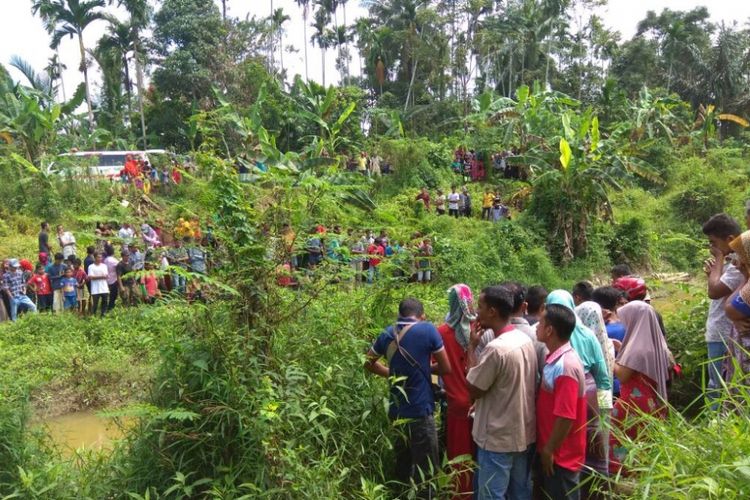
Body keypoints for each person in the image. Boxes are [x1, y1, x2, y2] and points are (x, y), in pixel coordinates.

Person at [364, 298, 451, 498]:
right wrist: (424, 371)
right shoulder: (428, 330)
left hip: (396, 411)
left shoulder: (388, 332)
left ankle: (400, 494)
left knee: (403, 463)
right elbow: (446, 368)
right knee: (427, 470)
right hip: (421, 411)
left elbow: (368, 363)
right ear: (422, 315)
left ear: (399, 314)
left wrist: (391, 373)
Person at [466, 286, 538, 500]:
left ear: (492, 311)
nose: (477, 312)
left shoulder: (496, 349)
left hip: (497, 436)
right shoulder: (525, 340)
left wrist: (471, 347)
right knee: (520, 492)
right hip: (522, 433)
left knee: (491, 494)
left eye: (480, 307)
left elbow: (474, 389)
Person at [545, 290, 611, 489]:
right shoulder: (588, 335)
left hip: (557, 399)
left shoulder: (547, 336)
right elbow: (603, 376)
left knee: (561, 451)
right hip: (589, 400)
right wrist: (606, 415)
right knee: (589, 449)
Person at [609, 301, 671, 475]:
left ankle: (625, 478)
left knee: (621, 441)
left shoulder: (637, 349)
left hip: (633, 403)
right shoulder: (657, 345)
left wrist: (609, 357)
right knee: (644, 443)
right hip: (651, 401)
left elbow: (622, 375)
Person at [535, 304, 587, 500]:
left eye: (540, 323)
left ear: (550, 330)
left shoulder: (565, 366)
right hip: (555, 452)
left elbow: (566, 415)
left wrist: (549, 450)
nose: (537, 327)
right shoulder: (557, 360)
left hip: (561, 456)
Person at [436, 285, 478, 499]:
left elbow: (433, 365)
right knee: (478, 451)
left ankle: (461, 494)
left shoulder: (443, 332)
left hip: (455, 402)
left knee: (458, 453)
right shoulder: (477, 328)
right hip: (478, 401)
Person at [701, 214, 743, 408]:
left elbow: (714, 291)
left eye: (714, 243)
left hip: (724, 334)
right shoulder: (732, 262)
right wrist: (714, 272)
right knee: (717, 383)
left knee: (718, 385)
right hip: (720, 333)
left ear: (729, 239)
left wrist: (718, 260)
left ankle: (717, 428)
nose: (712, 248)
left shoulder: (738, 263)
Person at [575, 300, 616, 482]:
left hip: (587, 401)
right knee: (602, 438)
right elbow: (606, 379)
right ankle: (601, 478)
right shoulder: (607, 342)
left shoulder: (579, 341)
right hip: (605, 396)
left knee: (585, 441)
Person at [592, 286, 627, 397]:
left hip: (606, 385)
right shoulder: (627, 324)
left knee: (605, 413)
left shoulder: (600, 331)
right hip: (625, 383)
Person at [88, 252, 110, 317]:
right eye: (98, 257)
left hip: (104, 288)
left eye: (101, 257)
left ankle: (103, 315)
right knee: (95, 304)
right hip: (95, 289)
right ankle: (93, 316)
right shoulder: (91, 267)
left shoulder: (104, 266)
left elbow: (106, 276)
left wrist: (100, 277)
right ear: (95, 258)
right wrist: (102, 277)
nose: (100, 258)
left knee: (105, 302)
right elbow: (91, 277)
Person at [104, 245, 120, 310]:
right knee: (113, 295)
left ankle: (107, 307)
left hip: (106, 280)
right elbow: (119, 267)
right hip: (114, 280)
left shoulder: (105, 260)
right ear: (113, 252)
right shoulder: (114, 261)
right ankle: (111, 308)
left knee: (108, 295)